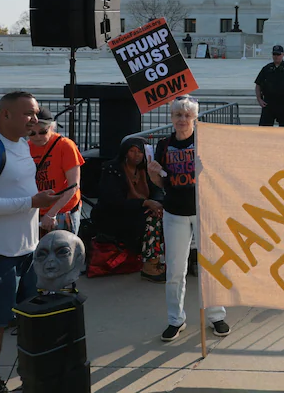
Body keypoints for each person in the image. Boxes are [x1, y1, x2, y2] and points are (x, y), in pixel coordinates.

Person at [0, 91, 62, 393]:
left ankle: (29, 379)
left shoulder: (19, 144)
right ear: (5, 114)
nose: (35, 119)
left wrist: (37, 204)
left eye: (36, 113)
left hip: (25, 250)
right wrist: (31, 201)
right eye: (28, 113)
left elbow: (16, 192)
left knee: (28, 320)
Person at [146, 96, 230, 341]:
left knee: (211, 265)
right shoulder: (163, 145)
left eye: (187, 115)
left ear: (195, 118)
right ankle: (175, 319)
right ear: (171, 118)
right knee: (175, 269)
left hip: (204, 210)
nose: (182, 119)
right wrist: (153, 175)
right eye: (178, 115)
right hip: (175, 212)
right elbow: (162, 182)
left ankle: (216, 315)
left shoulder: (204, 142)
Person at [93, 136, 166, 282]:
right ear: (125, 153)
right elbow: (113, 201)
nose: (136, 155)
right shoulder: (112, 169)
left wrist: (155, 203)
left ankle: (160, 260)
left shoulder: (146, 168)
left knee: (162, 215)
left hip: (140, 210)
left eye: (139, 152)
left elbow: (157, 190)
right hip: (117, 214)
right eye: (132, 151)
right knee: (153, 220)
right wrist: (145, 203)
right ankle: (150, 266)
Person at [28, 107, 84, 236]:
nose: (37, 137)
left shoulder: (65, 145)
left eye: (42, 132)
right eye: (32, 133)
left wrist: (51, 213)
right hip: (36, 211)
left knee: (63, 252)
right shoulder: (26, 147)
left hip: (62, 210)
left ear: (51, 128)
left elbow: (73, 186)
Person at [255, 44, 284, 127]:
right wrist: (259, 99)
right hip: (269, 103)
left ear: (283, 55)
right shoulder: (267, 68)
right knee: (264, 130)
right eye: (274, 54)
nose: (276, 56)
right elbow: (258, 84)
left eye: (278, 54)